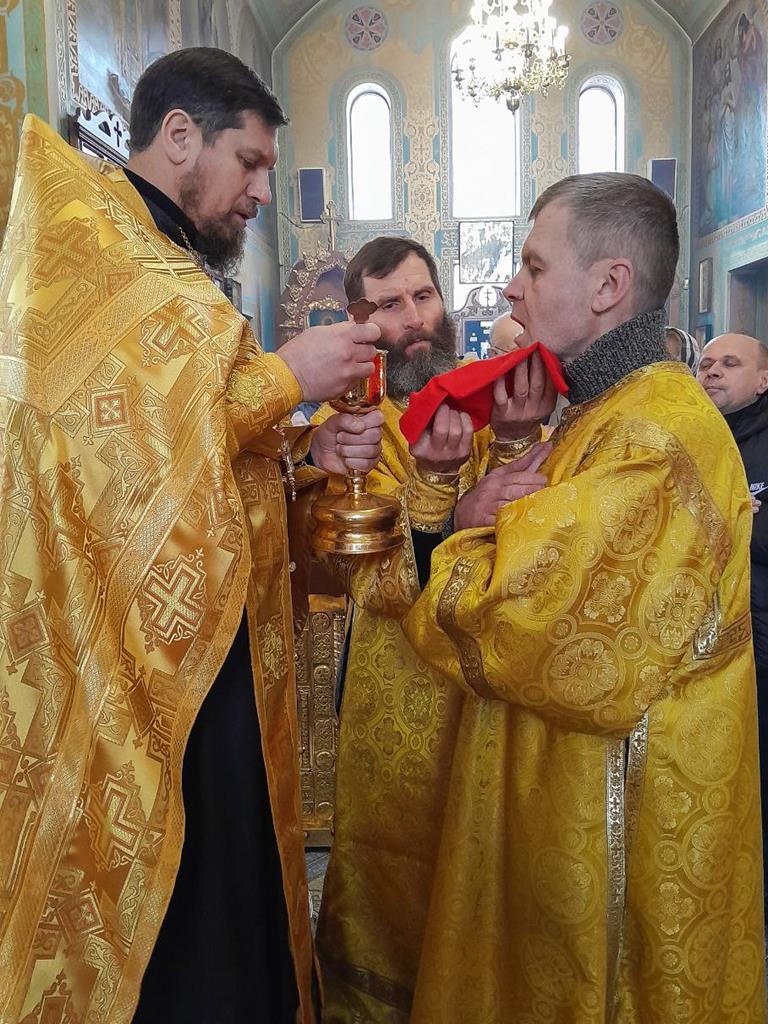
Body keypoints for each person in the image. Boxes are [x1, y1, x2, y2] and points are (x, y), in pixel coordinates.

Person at [0, 49, 383, 1024]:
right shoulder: (98, 243)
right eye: (249, 163)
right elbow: (124, 441)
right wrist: (289, 376)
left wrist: (303, 450)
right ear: (180, 137)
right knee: (184, 920)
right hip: (140, 666)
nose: (262, 192)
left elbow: (203, 449)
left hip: (209, 649)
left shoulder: (165, 260)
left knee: (231, 892)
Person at [325, 174, 765, 1022]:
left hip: (622, 829)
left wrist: (461, 526)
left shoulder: (652, 438)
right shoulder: (602, 409)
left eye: (532, 265)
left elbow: (519, 615)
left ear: (608, 286)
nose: (509, 288)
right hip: (542, 793)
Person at [312, 237, 553, 1021]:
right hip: (394, 692)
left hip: (486, 688)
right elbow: (369, 579)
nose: (413, 319)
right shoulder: (349, 427)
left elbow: (529, 528)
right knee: (397, 868)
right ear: (360, 321)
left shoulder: (484, 399)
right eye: (390, 305)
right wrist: (450, 502)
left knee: (486, 858)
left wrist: (514, 439)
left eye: (423, 296)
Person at [698, 330, 768, 919]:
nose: (713, 371)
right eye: (705, 363)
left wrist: (737, 518)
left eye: (730, 363)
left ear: (763, 380)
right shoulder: (691, 434)